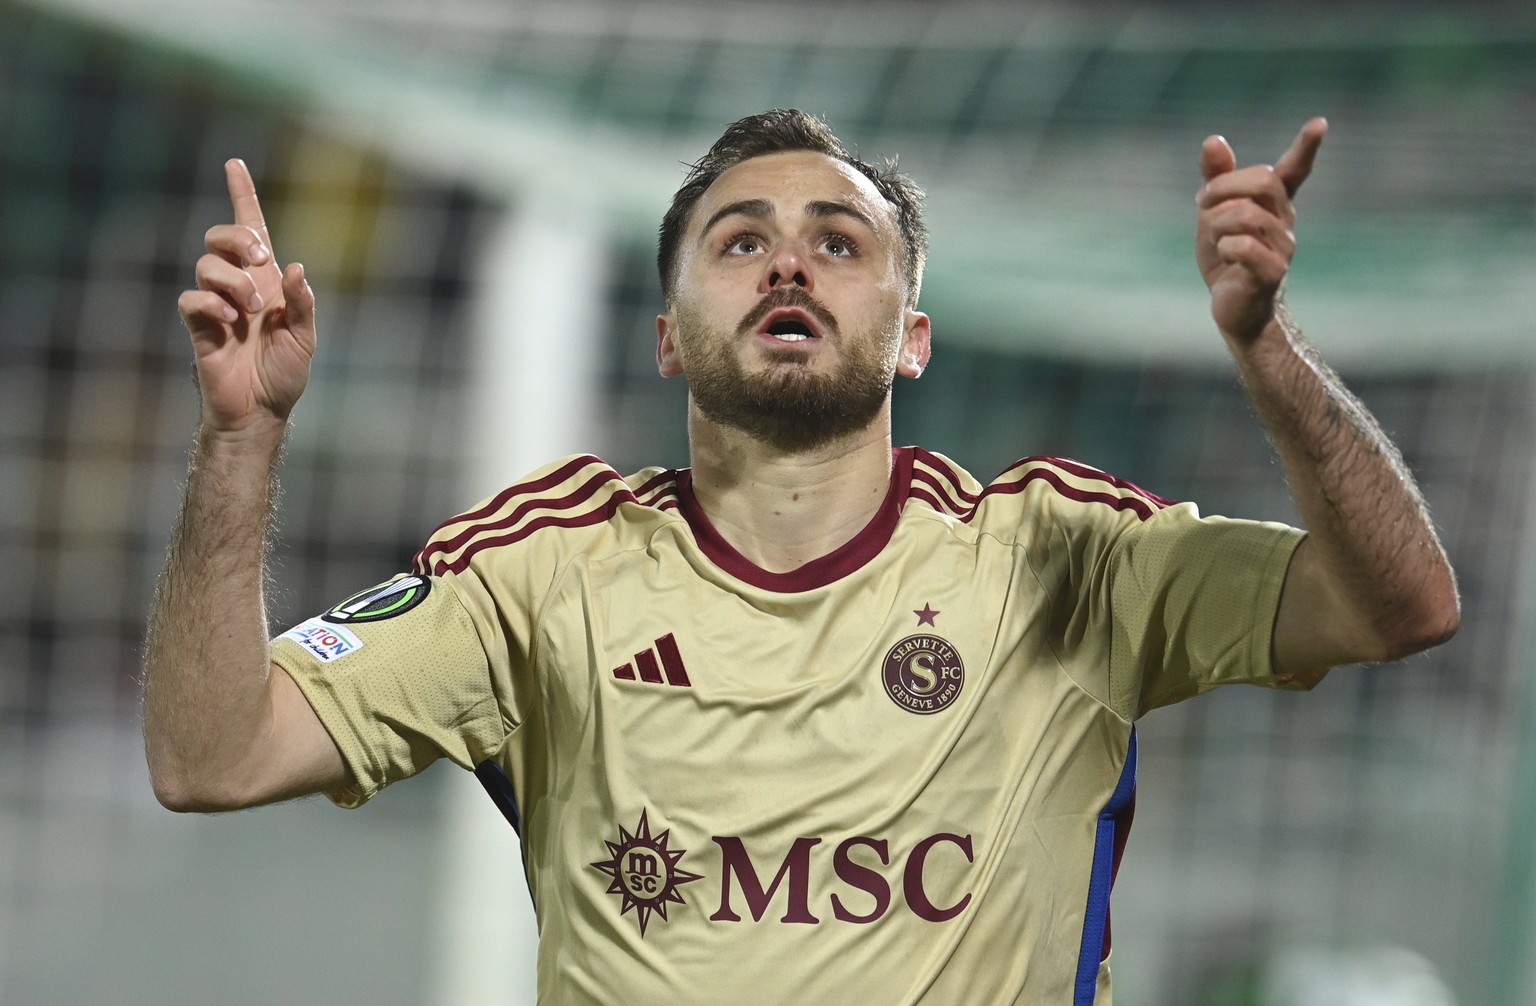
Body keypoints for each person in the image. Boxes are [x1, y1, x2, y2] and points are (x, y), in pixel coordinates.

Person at [143, 109, 1458, 1004]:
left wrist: (1266, 351)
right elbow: (212, 753)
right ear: (668, 335)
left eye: (839, 241)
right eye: (740, 240)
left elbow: (1401, 604)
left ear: (914, 333)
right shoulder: (543, 570)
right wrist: (244, 434)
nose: (789, 262)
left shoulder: (1058, 553)